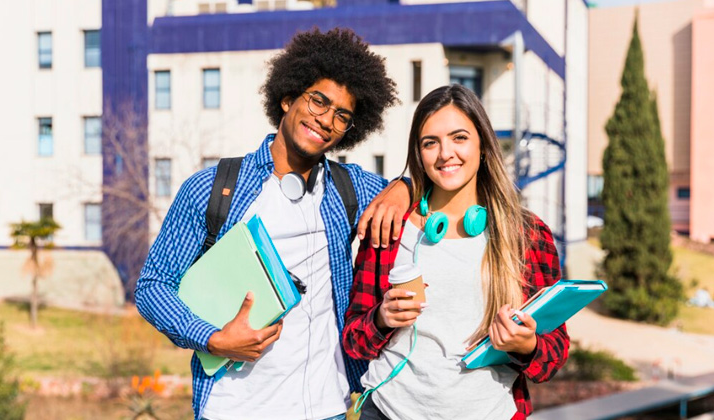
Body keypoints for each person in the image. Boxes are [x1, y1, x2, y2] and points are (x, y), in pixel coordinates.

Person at [135, 28, 410, 420]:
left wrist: (403, 186)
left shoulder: (352, 188)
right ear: (287, 97)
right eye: (319, 101)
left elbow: (429, 191)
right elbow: (152, 287)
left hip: (326, 407)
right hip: (232, 409)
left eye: (342, 116)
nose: (326, 120)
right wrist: (213, 339)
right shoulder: (213, 189)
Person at [343, 84, 569, 420]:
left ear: (482, 146)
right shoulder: (390, 228)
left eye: (459, 137)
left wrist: (527, 346)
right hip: (390, 411)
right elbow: (354, 341)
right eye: (430, 143)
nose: (445, 152)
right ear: (419, 154)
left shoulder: (527, 236)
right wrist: (381, 319)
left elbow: (555, 352)